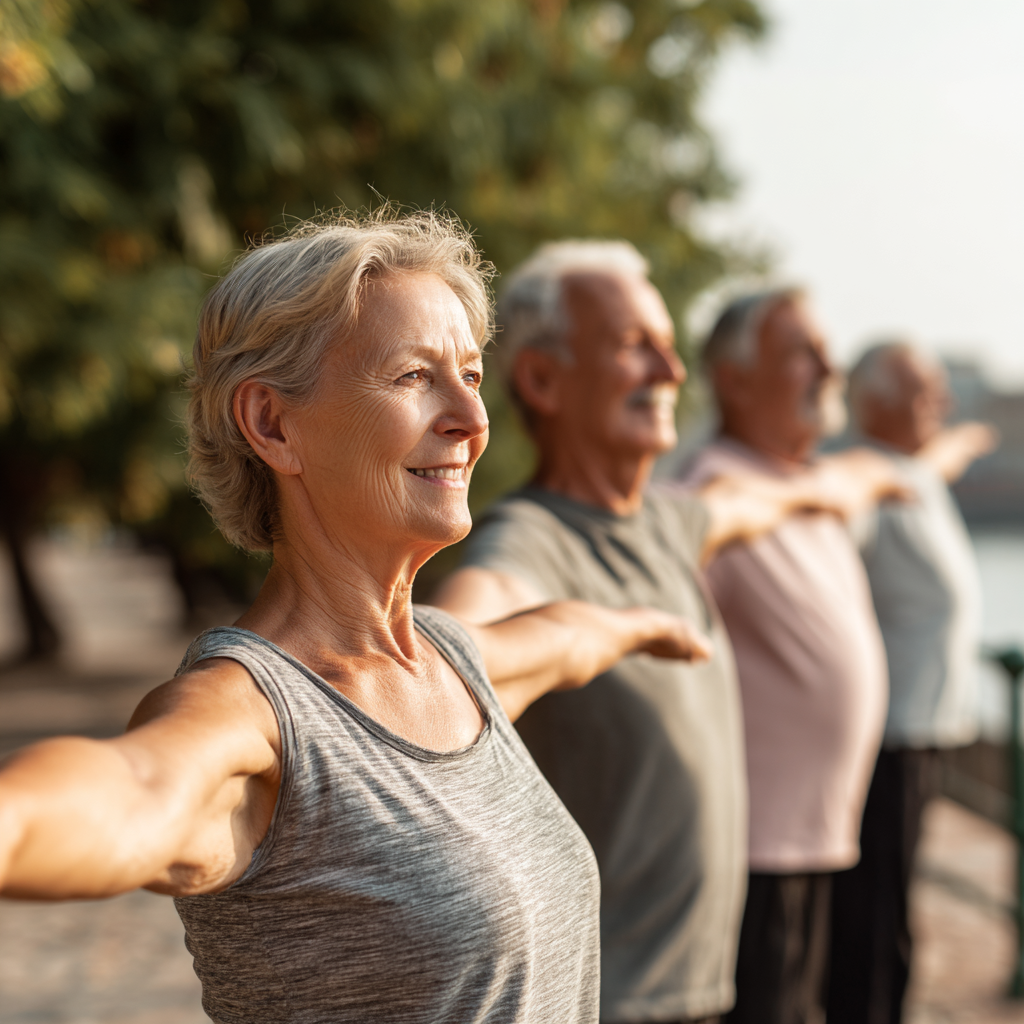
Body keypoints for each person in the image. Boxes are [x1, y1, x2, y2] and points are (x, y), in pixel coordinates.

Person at [0, 212, 721, 1024]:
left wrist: (642, 623)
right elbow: (131, 787)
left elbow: (561, 638)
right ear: (272, 424)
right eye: (415, 376)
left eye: (473, 377)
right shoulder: (260, 719)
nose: (471, 420)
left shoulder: (452, 661)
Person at [433, 244, 903, 1024]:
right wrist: (559, 631)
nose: (670, 371)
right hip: (609, 999)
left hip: (697, 990)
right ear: (543, 381)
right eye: (632, 346)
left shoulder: (670, 523)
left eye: (669, 345)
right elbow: (451, 641)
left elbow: (787, 494)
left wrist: (887, 475)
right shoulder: (528, 542)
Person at [680, 289, 891, 1024]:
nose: (829, 367)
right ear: (734, 379)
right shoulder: (711, 493)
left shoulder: (800, 484)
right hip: (755, 851)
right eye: (802, 351)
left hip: (817, 837)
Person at [826, 341, 997, 1024]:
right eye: (928, 392)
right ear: (878, 405)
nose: (945, 403)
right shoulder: (863, 483)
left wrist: (969, 438)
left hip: (923, 729)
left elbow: (940, 456)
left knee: (894, 906)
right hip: (884, 740)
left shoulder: (911, 470)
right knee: (874, 914)